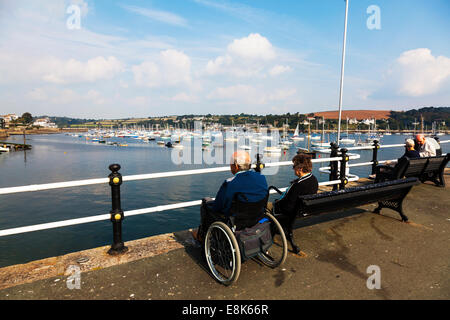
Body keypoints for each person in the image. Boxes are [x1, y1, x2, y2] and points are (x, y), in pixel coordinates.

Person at [193, 151, 268, 242]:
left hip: (236, 221)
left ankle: (202, 236)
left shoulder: (229, 183)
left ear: (236, 166)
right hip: (256, 217)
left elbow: (217, 206)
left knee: (206, 203)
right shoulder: (261, 177)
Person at [270, 153, 318, 217]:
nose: (293, 169)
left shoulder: (297, 185)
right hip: (303, 213)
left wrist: (275, 203)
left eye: (294, 166)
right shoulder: (314, 179)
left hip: (288, 217)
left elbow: (287, 207)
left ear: (300, 168)